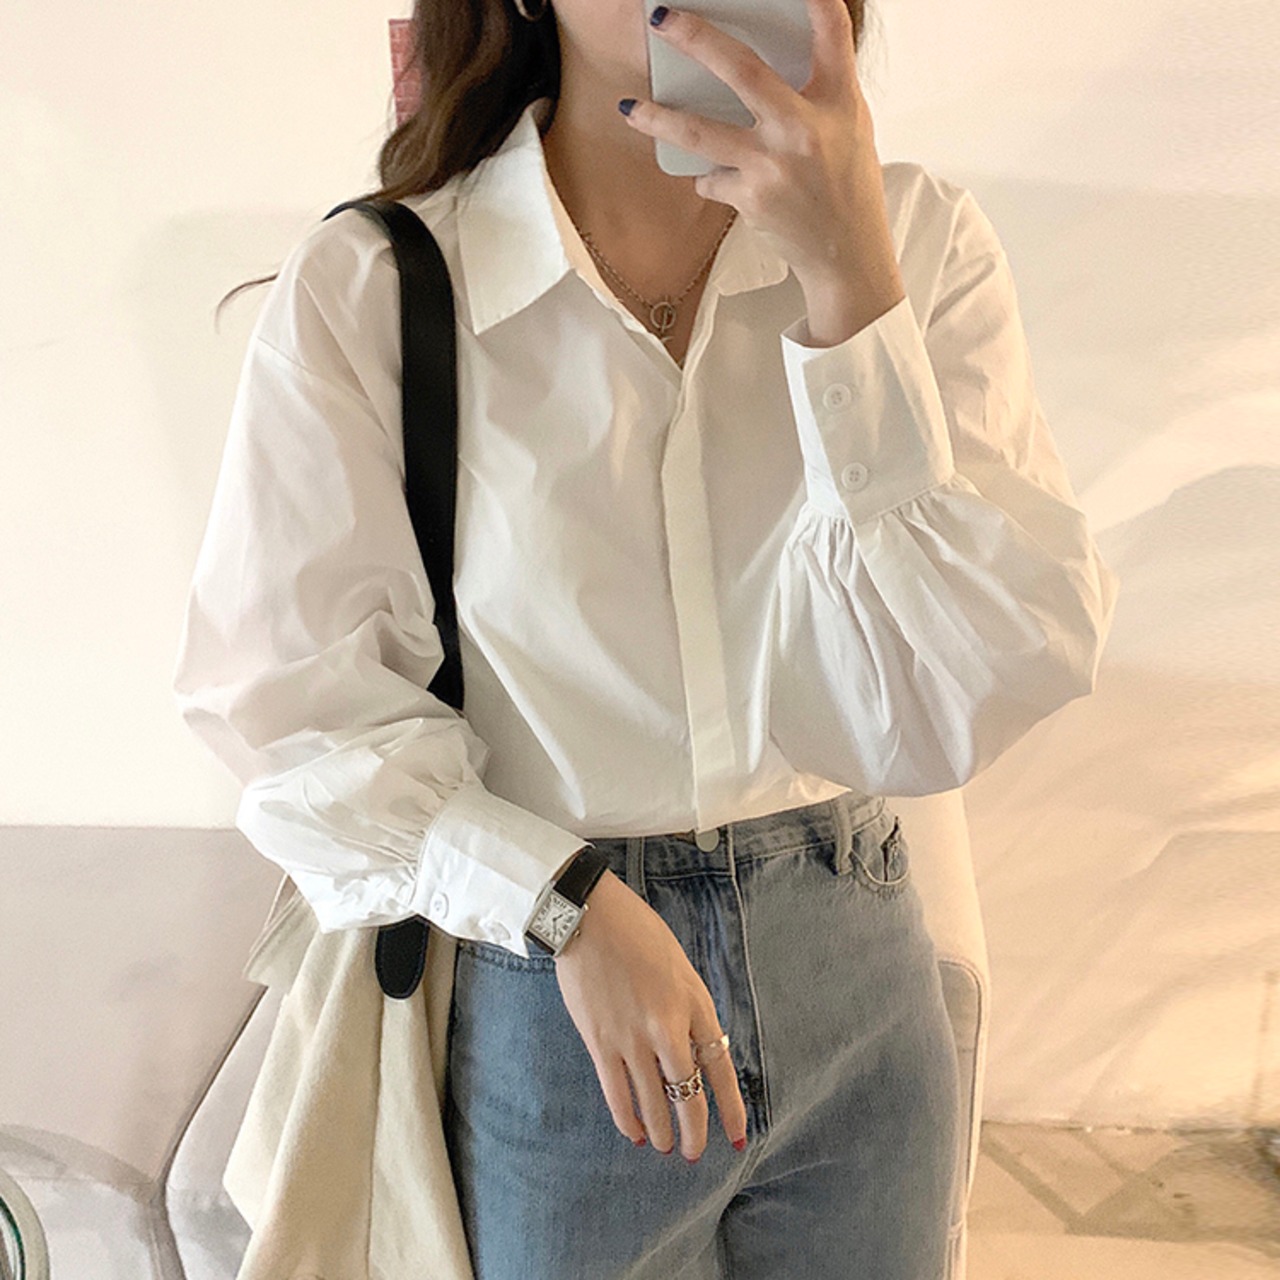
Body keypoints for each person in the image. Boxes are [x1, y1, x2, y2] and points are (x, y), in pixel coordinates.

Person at [174, 0, 1120, 1276]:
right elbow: (284, 706)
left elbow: (973, 682)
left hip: (856, 951)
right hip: (560, 984)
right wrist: (556, 898)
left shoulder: (916, 243)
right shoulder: (380, 284)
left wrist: (849, 289)